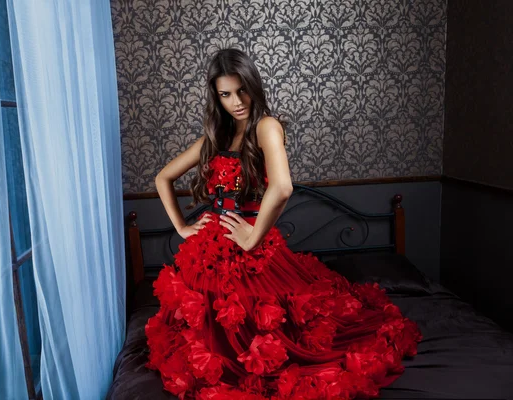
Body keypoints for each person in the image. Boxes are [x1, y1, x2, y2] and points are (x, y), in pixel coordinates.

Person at [145, 48, 421, 400]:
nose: (236, 101)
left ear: (253, 85)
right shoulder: (215, 137)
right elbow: (162, 178)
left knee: (263, 322)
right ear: (216, 96)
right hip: (207, 252)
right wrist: (183, 228)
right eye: (225, 94)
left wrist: (253, 235)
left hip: (250, 246)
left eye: (241, 89)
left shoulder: (266, 125)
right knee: (208, 323)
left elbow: (283, 186)